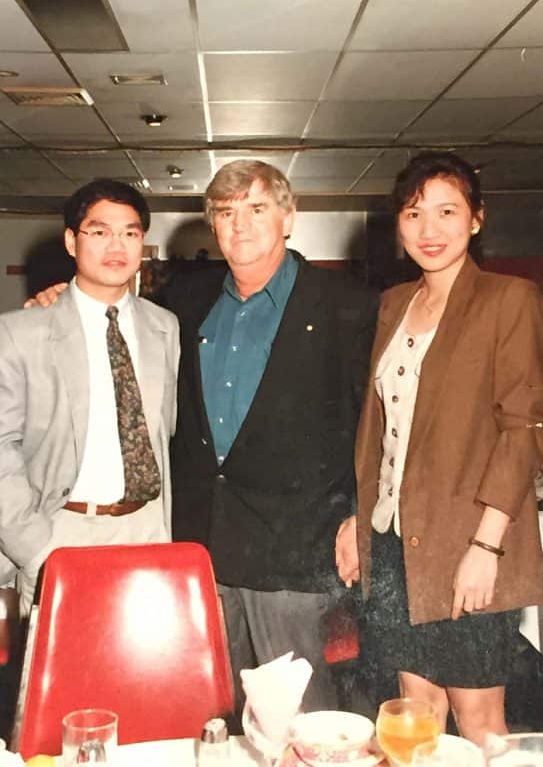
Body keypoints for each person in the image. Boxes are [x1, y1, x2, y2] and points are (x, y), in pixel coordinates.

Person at [336, 151, 543, 744]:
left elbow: (523, 428)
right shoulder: (393, 306)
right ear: (397, 225)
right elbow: (378, 428)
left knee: (479, 721)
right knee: (414, 713)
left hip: (469, 543)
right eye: (414, 213)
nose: (430, 230)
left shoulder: (509, 299)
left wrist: (486, 546)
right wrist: (359, 516)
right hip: (396, 544)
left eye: (447, 211)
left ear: (476, 219)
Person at [161, 160, 378, 712]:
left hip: (294, 549)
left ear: (288, 217)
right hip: (201, 544)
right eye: (227, 213)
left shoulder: (346, 304)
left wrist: (359, 514)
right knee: (212, 708)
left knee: (297, 716)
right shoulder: (183, 304)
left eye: (257, 208)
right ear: (213, 227)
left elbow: (377, 424)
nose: (241, 225)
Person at [0, 179, 179, 616]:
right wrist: (38, 548)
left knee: (145, 676)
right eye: (99, 232)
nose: (116, 245)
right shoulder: (20, 332)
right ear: (70, 240)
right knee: (62, 680)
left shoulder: (165, 327)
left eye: (130, 233)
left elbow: (164, 431)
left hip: (147, 530)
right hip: (62, 533)